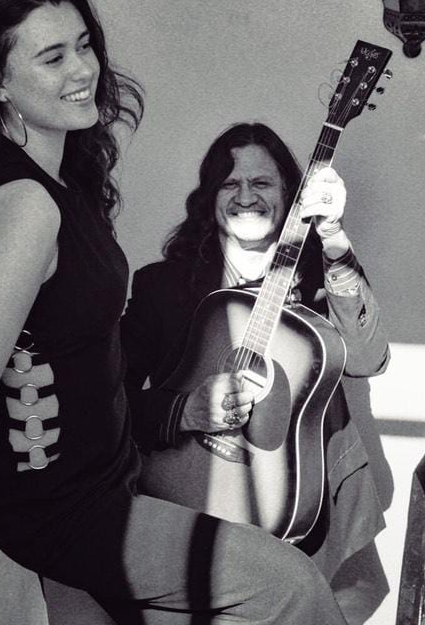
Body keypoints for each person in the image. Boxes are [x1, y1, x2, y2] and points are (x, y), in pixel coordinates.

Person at [0, 0, 351, 625]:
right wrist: (34, 418)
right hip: (67, 506)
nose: (84, 69)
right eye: (52, 57)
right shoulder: (26, 208)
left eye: (84, 44)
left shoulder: (59, 182)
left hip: (99, 480)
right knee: (293, 587)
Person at [121, 122, 393, 625]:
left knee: (327, 601)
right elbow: (105, 397)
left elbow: (366, 358)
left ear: (289, 195)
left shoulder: (323, 280)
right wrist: (182, 411)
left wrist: (333, 236)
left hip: (295, 501)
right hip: (187, 496)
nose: (246, 196)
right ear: (210, 198)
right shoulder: (162, 287)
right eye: (231, 183)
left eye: (262, 183)